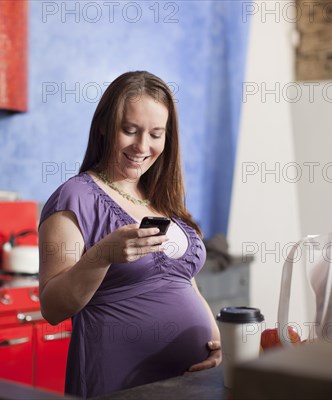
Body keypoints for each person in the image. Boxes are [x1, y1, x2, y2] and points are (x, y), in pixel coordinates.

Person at [38, 71, 221, 398]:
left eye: (155, 134)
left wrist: (215, 342)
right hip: (118, 379)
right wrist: (103, 255)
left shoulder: (162, 199)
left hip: (188, 382)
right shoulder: (74, 198)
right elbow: (52, 308)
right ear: (105, 126)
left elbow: (185, 282)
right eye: (130, 130)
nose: (142, 146)